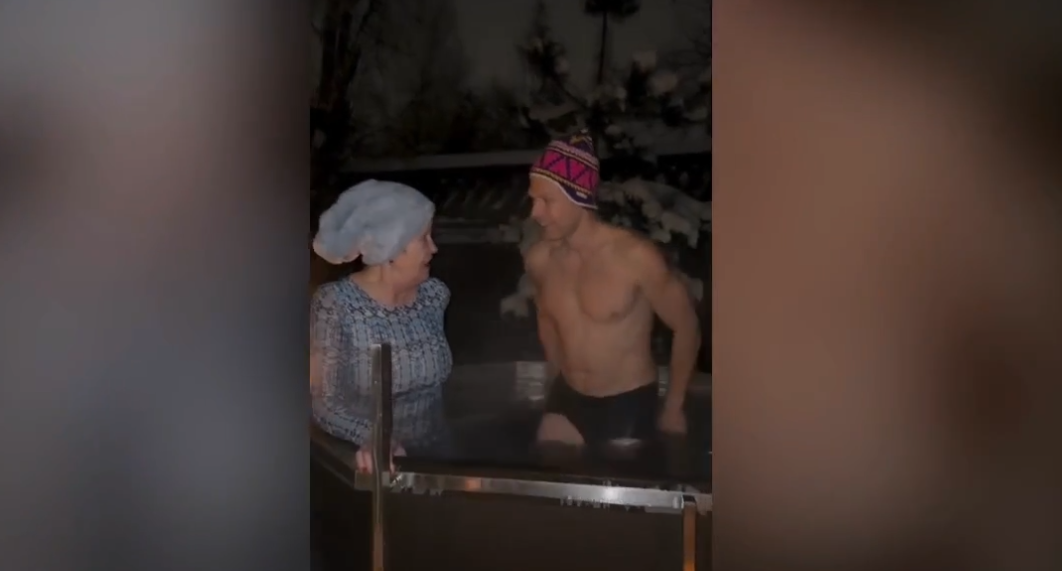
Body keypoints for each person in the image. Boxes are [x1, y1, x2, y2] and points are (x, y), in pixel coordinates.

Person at [524, 130, 702, 456]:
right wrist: (553, 374)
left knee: (619, 483)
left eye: (547, 201)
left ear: (580, 199)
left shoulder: (634, 257)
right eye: (533, 200)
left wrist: (674, 406)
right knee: (548, 473)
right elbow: (547, 318)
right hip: (567, 395)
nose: (535, 213)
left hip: (627, 401)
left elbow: (686, 325)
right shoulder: (540, 260)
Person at [310, 179, 450, 474]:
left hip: (438, 460)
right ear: (391, 247)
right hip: (372, 467)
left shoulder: (434, 296)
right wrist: (374, 436)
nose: (434, 248)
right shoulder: (337, 304)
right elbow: (324, 402)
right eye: (423, 238)